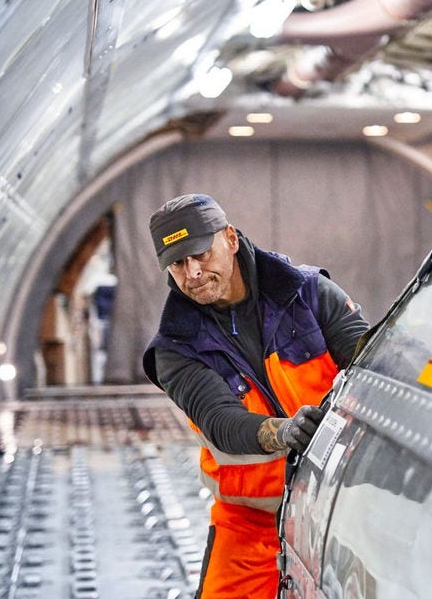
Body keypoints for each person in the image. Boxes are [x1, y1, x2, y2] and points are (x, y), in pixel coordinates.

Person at [141, 193, 368, 598]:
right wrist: (282, 433)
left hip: (347, 502)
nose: (192, 272)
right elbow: (221, 421)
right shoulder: (175, 347)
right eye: (177, 263)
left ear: (229, 238)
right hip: (251, 520)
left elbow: (370, 364)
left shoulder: (309, 293)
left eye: (200, 253)